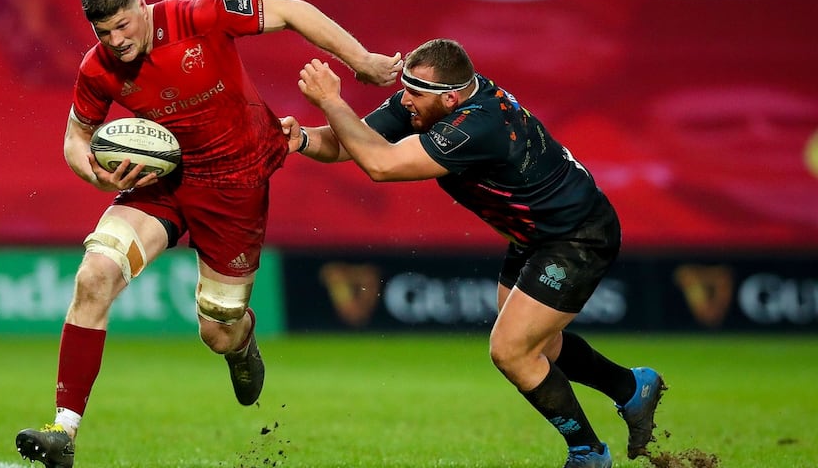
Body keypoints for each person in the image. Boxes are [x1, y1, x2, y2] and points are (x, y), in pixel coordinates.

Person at [14, 0, 402, 468]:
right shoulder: (97, 68)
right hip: (162, 184)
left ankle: (241, 344)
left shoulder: (199, 16)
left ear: (140, 3)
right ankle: (63, 431)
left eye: (123, 26)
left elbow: (290, 10)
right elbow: (75, 139)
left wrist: (362, 61)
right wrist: (95, 175)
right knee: (95, 275)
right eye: (104, 32)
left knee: (217, 330)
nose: (117, 40)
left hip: (234, 187)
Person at [283, 38, 665, 468]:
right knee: (540, 343)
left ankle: (588, 453)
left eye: (414, 95)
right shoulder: (436, 100)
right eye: (406, 90)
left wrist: (331, 100)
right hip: (536, 233)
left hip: (576, 235)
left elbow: (381, 165)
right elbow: (348, 143)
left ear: (450, 97)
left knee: (512, 350)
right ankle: (632, 388)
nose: (404, 101)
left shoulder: (477, 125)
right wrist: (301, 139)